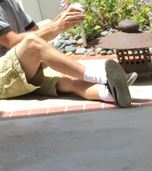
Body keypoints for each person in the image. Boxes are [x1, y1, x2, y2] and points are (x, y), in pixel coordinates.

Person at [0, 0, 135, 107]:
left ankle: (111, 93)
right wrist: (56, 27)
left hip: (19, 71)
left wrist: (62, 21)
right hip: (3, 77)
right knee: (32, 43)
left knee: (70, 81)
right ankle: (103, 76)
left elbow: (37, 31)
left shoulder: (10, 2)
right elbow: (12, 41)